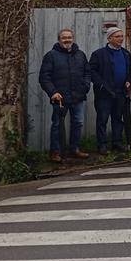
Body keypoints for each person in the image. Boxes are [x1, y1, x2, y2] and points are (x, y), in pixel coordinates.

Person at [38, 28, 91, 162]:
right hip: (60, 98)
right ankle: (55, 152)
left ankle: (75, 149)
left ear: (73, 38)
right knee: (57, 125)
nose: (67, 40)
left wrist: (85, 86)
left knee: (78, 123)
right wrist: (53, 92)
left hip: (77, 96)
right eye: (64, 38)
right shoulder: (51, 56)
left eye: (69, 37)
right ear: (59, 39)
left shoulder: (80, 55)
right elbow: (44, 77)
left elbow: (87, 73)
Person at [89, 27, 131, 154]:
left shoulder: (125, 53)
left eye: (121, 36)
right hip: (104, 94)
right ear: (109, 39)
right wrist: (102, 85)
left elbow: (130, 69)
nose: (121, 39)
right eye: (117, 36)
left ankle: (117, 142)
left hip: (120, 92)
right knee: (102, 119)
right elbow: (92, 71)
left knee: (118, 118)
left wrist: (129, 80)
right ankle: (102, 145)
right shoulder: (98, 54)